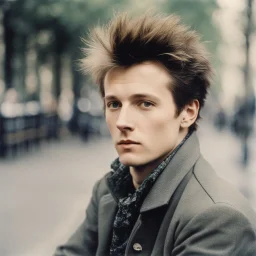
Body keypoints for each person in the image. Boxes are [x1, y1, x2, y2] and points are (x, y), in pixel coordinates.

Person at [54, 12, 256, 256]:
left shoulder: (218, 218)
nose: (123, 122)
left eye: (145, 103)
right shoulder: (109, 191)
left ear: (188, 112)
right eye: (114, 104)